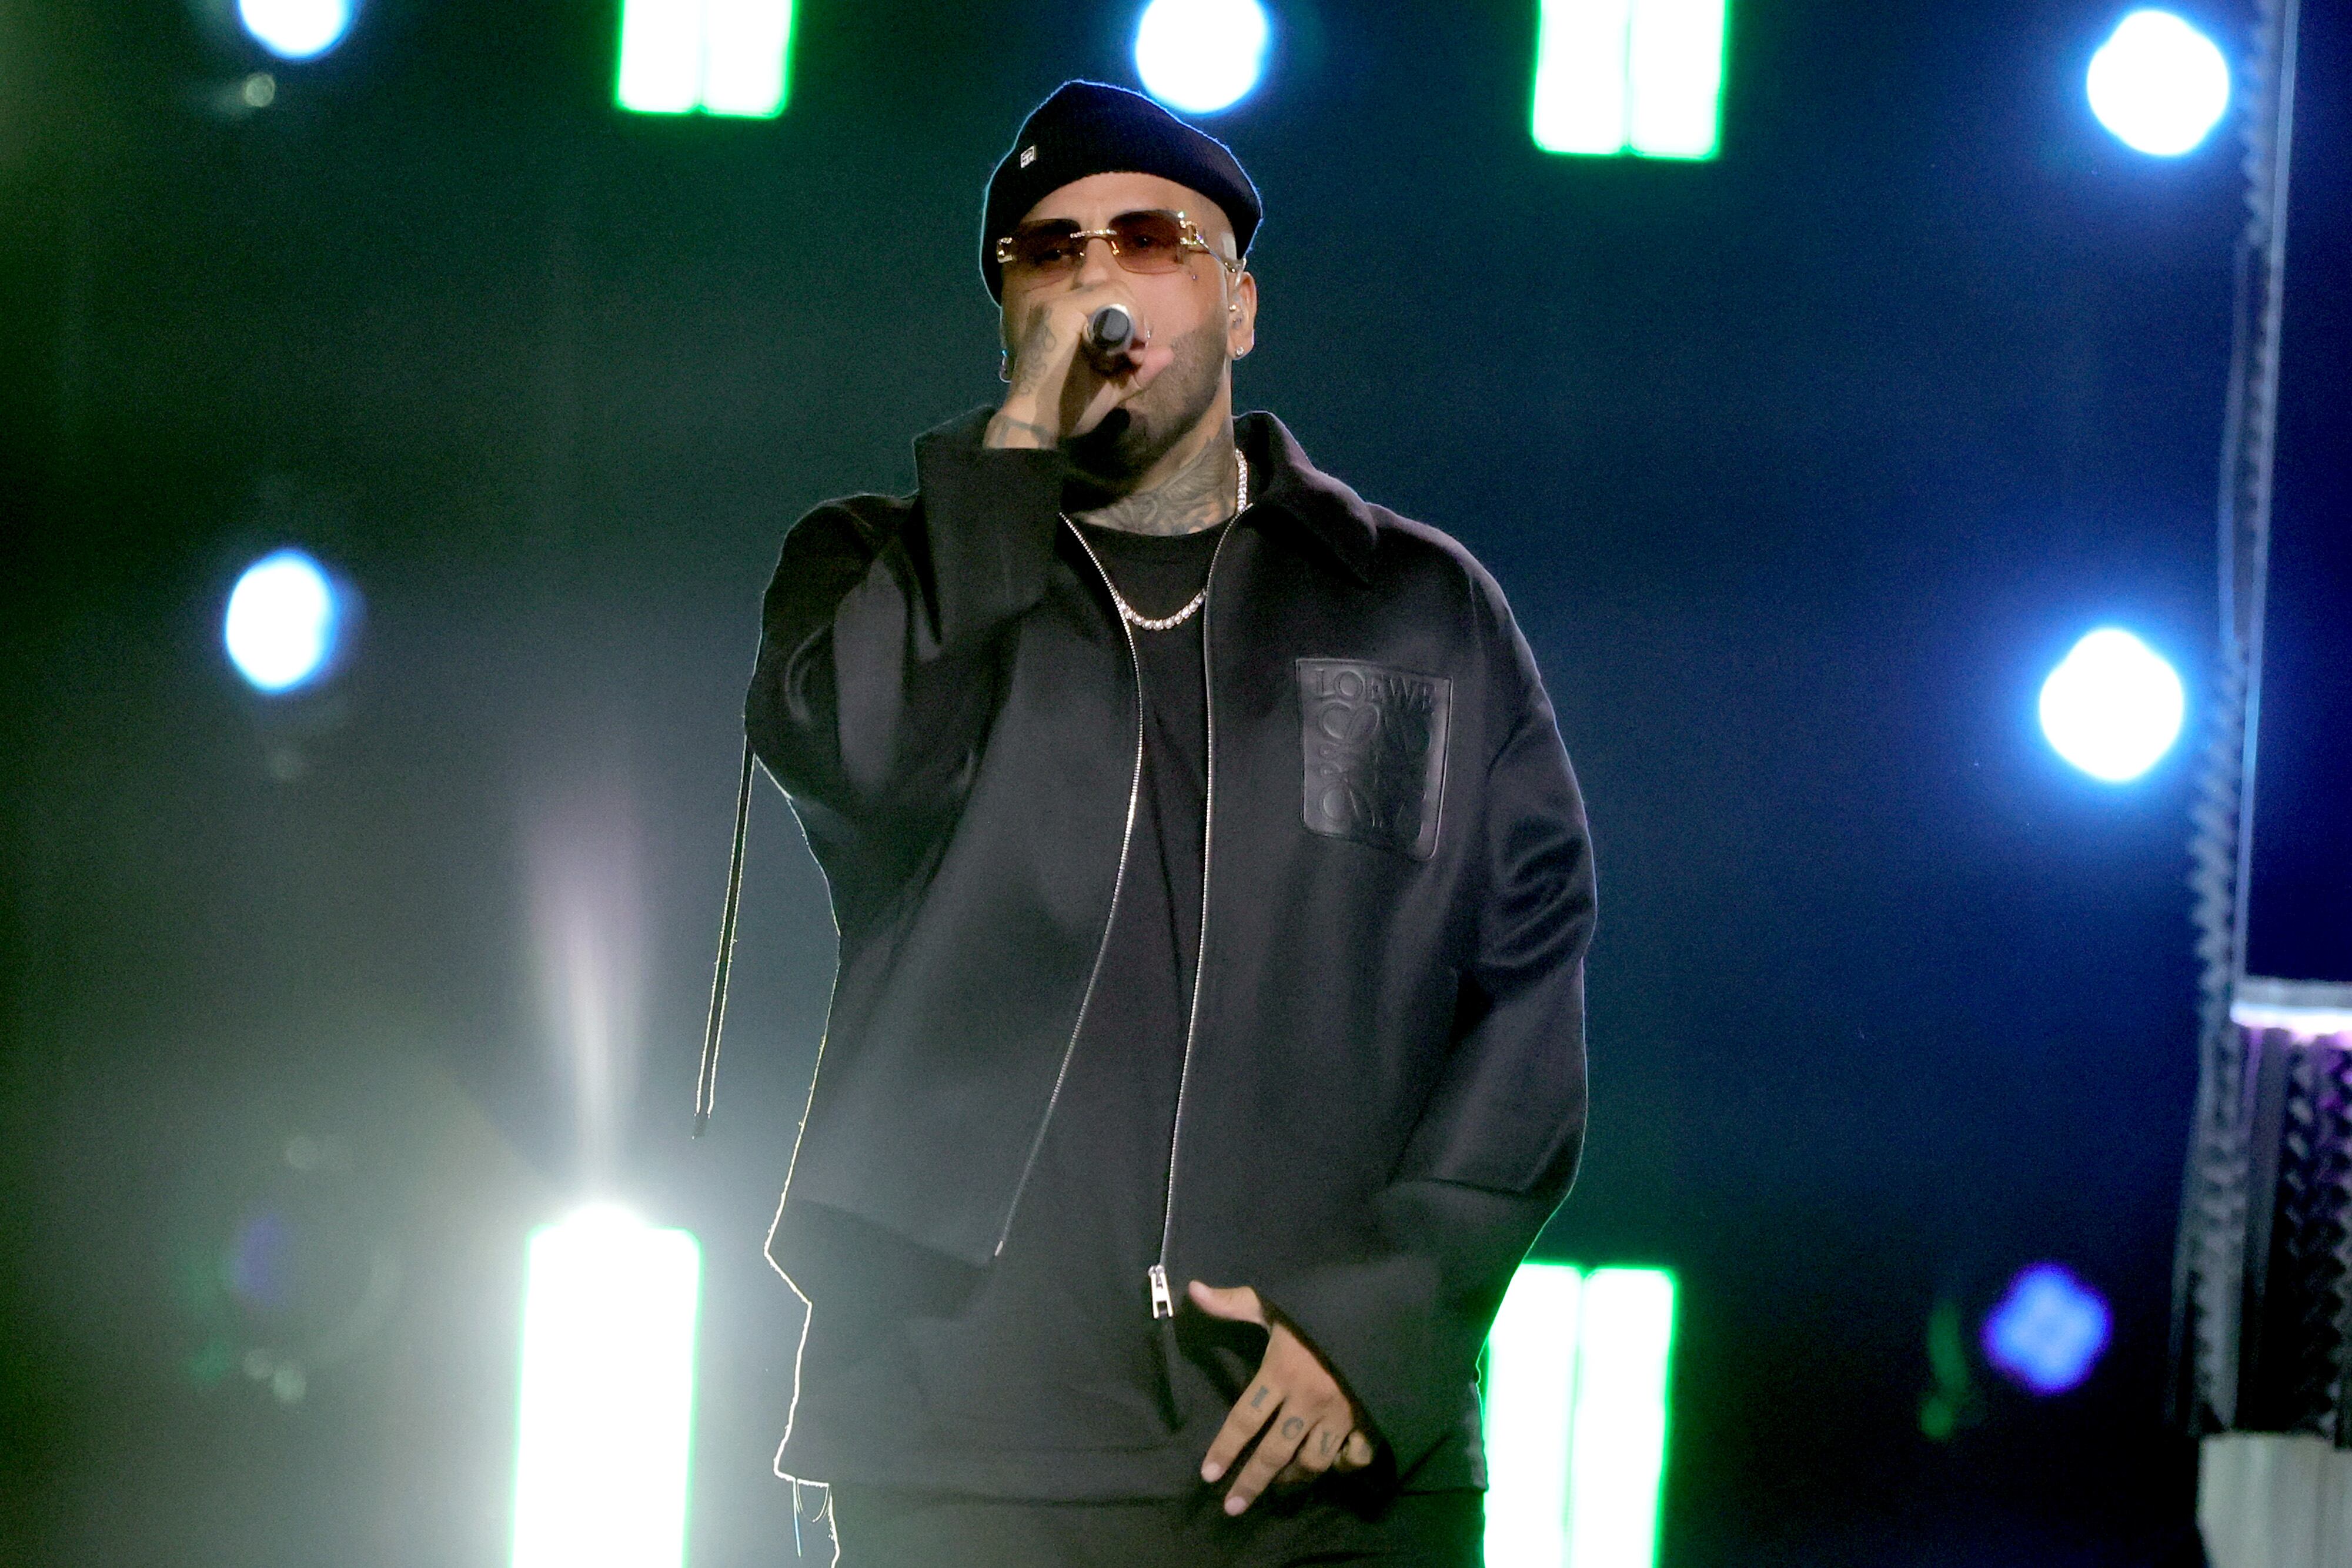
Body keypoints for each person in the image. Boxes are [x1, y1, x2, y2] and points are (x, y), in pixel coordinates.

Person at [739, 80, 1596, 1566]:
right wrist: (1014, 448)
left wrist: (1381, 1322)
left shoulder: (1410, 603)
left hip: (1325, 1438)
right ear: (1004, 307)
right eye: (1046, 249)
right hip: (972, 1432)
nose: (1094, 276)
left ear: (1238, 303)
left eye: (1148, 239)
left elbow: (1523, 979)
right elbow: (861, 755)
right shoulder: (881, 566)